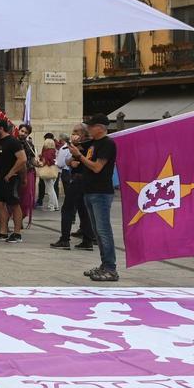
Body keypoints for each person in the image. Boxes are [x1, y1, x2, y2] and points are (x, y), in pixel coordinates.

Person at [72, 113, 119, 281]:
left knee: (103, 231)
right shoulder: (93, 143)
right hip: (90, 190)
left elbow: (97, 167)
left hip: (101, 192)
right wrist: (75, 151)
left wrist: (80, 156)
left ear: (100, 128)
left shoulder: (108, 144)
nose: (89, 129)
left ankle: (110, 268)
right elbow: (80, 161)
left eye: (91, 126)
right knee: (97, 232)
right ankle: (104, 264)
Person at [50, 125, 94, 250]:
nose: (73, 134)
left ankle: (65, 239)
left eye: (76, 132)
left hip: (79, 180)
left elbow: (76, 160)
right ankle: (87, 240)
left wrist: (74, 152)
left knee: (68, 209)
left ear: (84, 134)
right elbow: (69, 161)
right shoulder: (84, 145)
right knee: (83, 210)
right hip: (81, 180)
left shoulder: (85, 146)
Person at [0, 118, 25, 243]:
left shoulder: (13, 142)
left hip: (11, 179)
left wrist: (10, 173)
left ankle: (17, 233)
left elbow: (22, 159)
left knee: (14, 204)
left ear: (1, 128)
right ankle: (3, 232)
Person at [17, 123, 38, 227]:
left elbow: (33, 160)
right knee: (15, 197)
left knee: (26, 198)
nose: (23, 133)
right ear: (18, 130)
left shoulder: (29, 144)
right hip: (16, 172)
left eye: (26, 132)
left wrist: (38, 163)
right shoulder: (13, 142)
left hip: (28, 172)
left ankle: (20, 219)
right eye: (22, 131)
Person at [38, 137, 60, 211]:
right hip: (53, 170)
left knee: (50, 190)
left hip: (47, 171)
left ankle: (52, 206)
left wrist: (41, 162)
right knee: (52, 189)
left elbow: (46, 162)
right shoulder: (54, 150)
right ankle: (56, 205)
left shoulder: (46, 152)